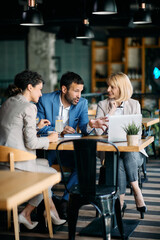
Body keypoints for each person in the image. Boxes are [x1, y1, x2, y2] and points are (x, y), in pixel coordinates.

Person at [0, 70, 66, 230]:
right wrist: (49, 139)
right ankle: (27, 213)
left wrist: (37, 127)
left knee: (43, 163)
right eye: (39, 89)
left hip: (4, 160)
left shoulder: (8, 102)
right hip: (16, 163)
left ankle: (49, 211)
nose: (41, 94)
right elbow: (31, 142)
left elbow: (13, 130)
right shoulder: (29, 107)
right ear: (30, 87)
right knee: (50, 174)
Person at [37, 71, 108, 219]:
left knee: (85, 161)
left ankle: (65, 201)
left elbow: (84, 129)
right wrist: (59, 130)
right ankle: (45, 201)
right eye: (76, 91)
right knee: (40, 166)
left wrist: (89, 124)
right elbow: (39, 127)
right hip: (48, 149)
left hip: (68, 150)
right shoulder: (45, 100)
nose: (79, 95)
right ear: (64, 89)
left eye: (81, 91)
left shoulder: (82, 103)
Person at [95, 72, 147, 219]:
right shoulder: (103, 104)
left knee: (127, 154)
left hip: (133, 153)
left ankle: (123, 199)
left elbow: (137, 133)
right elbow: (98, 132)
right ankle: (136, 191)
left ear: (122, 88)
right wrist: (111, 112)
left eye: (113, 87)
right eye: (108, 86)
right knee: (118, 157)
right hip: (111, 151)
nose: (108, 90)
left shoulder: (134, 104)